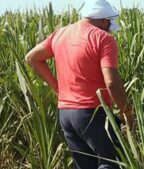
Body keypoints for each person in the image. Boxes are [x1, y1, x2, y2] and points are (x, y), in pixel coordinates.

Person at [25, 0, 133, 168]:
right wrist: (126, 111)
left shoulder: (60, 34)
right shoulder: (104, 38)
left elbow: (32, 58)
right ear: (105, 20)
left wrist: (58, 89)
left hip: (66, 115)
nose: (109, 28)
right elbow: (111, 82)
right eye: (109, 23)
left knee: (83, 165)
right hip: (93, 113)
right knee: (112, 162)